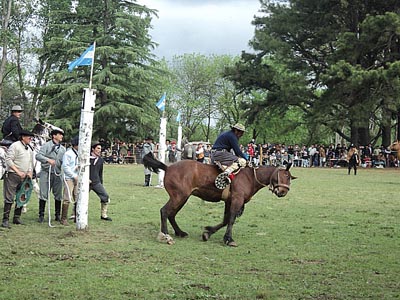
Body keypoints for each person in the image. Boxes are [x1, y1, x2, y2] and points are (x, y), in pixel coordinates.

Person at [1, 130, 35, 228]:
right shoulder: (15, 146)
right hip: (13, 175)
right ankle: (5, 220)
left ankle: (16, 218)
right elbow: (8, 160)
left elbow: (30, 162)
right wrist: (18, 171)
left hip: (24, 176)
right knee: (9, 197)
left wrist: (29, 171)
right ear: (23, 137)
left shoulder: (29, 148)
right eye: (29, 137)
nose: (30, 139)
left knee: (21, 196)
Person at [35, 128, 66, 223]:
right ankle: (41, 215)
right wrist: (48, 160)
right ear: (54, 136)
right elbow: (38, 156)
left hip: (57, 173)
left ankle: (57, 215)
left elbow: (64, 161)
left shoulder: (63, 149)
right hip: (46, 172)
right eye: (59, 134)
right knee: (43, 193)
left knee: (58, 194)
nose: (61, 136)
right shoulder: (46, 146)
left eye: (62, 134)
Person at [90, 142, 112, 221]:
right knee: (80, 198)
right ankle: (75, 214)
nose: (100, 150)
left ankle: (104, 215)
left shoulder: (100, 160)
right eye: (98, 148)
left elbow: (100, 172)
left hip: (96, 182)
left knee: (105, 196)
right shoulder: (86, 158)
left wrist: (101, 183)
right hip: (86, 182)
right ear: (93, 149)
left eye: (100, 148)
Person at [60, 136, 79, 226]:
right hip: (69, 178)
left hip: (78, 178)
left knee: (77, 197)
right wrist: (73, 176)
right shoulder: (68, 154)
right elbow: (65, 167)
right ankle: (63, 218)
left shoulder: (80, 154)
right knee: (67, 198)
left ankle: (76, 216)